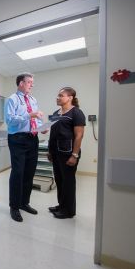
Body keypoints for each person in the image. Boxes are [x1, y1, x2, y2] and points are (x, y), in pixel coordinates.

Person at [4, 73, 46, 222]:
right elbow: (10, 120)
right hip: (18, 139)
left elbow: (36, 119)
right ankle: (14, 207)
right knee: (18, 172)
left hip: (32, 138)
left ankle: (24, 203)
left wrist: (42, 127)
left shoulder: (33, 100)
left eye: (32, 82)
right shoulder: (12, 99)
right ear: (21, 83)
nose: (31, 85)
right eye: (29, 82)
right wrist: (29, 115)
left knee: (29, 172)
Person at [47, 87, 85, 219]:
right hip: (56, 153)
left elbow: (79, 136)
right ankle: (61, 205)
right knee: (59, 180)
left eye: (61, 95)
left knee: (68, 182)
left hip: (68, 153)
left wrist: (74, 155)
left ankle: (68, 211)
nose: (57, 98)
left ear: (70, 98)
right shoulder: (55, 113)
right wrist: (50, 151)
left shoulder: (77, 113)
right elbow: (52, 133)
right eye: (57, 95)